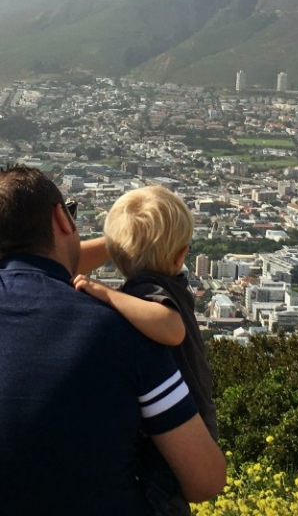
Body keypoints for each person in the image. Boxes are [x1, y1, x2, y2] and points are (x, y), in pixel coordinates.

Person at [0, 166, 225, 515]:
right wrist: (144, 241)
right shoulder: (125, 333)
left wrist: (127, 240)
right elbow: (205, 482)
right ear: (61, 218)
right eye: (71, 212)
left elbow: (47, 266)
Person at [73, 186, 218, 515]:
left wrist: (107, 290)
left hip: (181, 429)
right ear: (180, 256)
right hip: (187, 422)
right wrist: (113, 273)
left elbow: (170, 326)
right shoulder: (160, 284)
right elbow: (171, 325)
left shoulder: (146, 288)